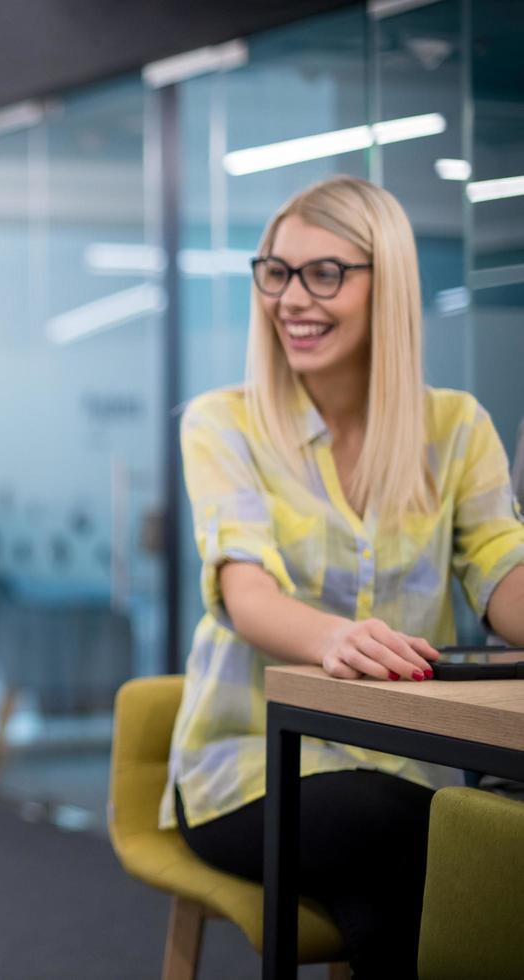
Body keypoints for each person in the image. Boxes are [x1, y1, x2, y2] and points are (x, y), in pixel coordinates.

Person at [161, 175, 524, 977]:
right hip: (247, 772)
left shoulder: (456, 428)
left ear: (384, 284)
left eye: (324, 272)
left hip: (400, 767)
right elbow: (243, 590)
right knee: (411, 836)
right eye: (277, 271)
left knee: (418, 859)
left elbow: (503, 576)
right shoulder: (224, 422)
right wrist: (337, 639)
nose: (292, 298)